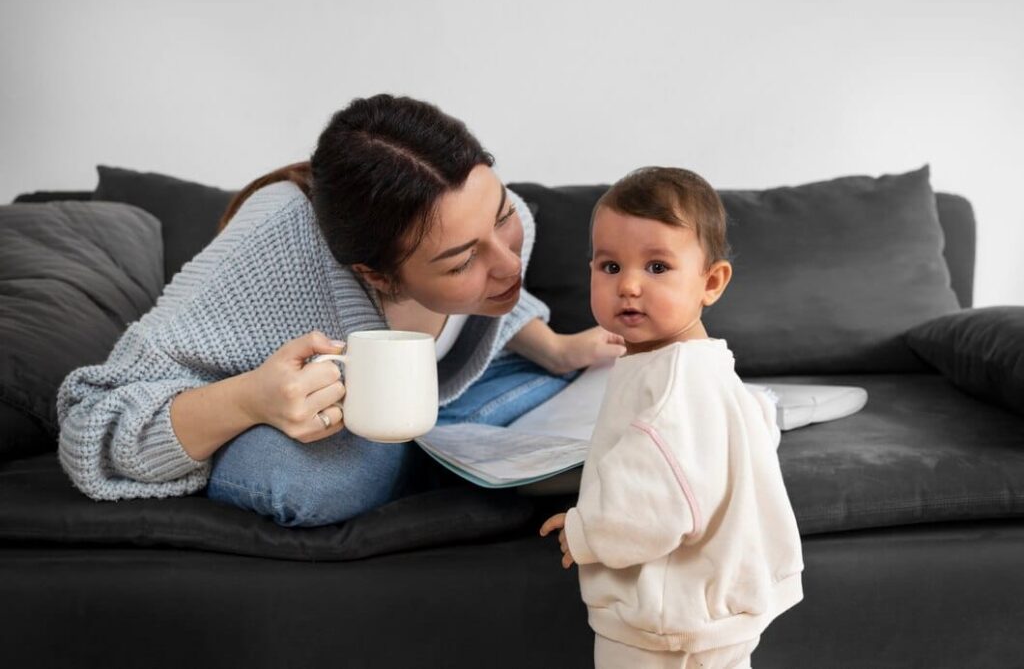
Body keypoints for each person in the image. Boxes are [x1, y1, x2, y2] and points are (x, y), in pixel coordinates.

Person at [57, 94, 625, 527]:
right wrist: (250, 397)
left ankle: (449, 455)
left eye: (502, 217)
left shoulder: (490, 219)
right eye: (459, 263)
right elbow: (90, 423)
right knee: (288, 481)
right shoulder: (273, 249)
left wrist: (556, 348)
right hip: (327, 424)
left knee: (628, 385)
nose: (507, 263)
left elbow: (498, 297)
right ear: (375, 276)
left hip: (449, 401)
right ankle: (457, 458)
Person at [539, 167, 803, 668]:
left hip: (666, 626)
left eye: (657, 267)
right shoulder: (701, 363)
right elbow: (754, 420)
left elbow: (654, 503)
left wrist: (586, 532)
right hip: (705, 613)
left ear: (711, 281)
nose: (630, 286)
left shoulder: (672, 381)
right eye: (610, 267)